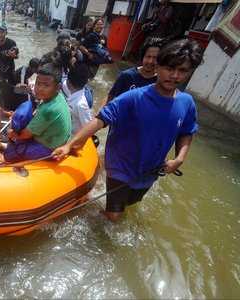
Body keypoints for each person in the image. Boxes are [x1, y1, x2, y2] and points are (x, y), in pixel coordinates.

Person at [52, 39, 203, 222]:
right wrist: (70, 145)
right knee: (113, 217)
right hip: (120, 166)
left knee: (130, 206)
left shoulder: (187, 103)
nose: (175, 75)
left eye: (183, 70)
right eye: (170, 68)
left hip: (150, 170)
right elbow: (100, 121)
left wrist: (179, 158)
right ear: (159, 67)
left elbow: (186, 131)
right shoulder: (133, 97)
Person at [4, 63, 71, 163]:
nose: (40, 88)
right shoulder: (59, 96)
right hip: (59, 140)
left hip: (50, 148)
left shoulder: (48, 110)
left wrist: (11, 133)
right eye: (38, 83)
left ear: (58, 87)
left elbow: (26, 135)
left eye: (46, 85)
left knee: (9, 154)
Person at [99, 38, 166, 110]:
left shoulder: (161, 82)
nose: (150, 61)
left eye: (155, 58)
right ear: (143, 57)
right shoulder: (127, 75)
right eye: (148, 56)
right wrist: (99, 115)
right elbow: (110, 96)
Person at [66, 63, 92, 136]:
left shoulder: (80, 104)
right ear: (87, 81)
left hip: (71, 140)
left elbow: (88, 128)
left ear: (68, 80)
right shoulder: (72, 95)